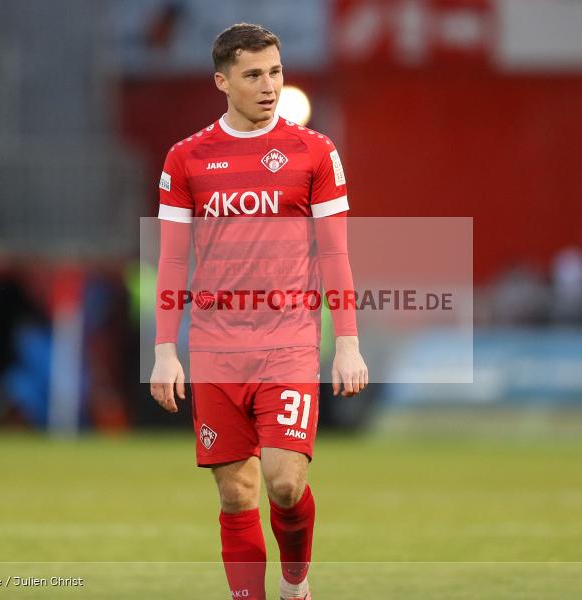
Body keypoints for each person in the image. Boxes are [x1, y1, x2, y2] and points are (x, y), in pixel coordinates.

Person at [149, 23, 368, 600]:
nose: (268, 85)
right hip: (217, 347)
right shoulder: (187, 159)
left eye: (275, 71)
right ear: (223, 82)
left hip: (290, 342)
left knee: (285, 482)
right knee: (235, 493)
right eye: (253, 75)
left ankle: (295, 584)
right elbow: (172, 264)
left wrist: (346, 341)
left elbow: (336, 255)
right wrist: (165, 350)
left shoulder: (314, 152)